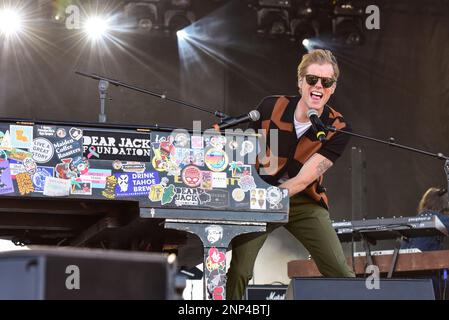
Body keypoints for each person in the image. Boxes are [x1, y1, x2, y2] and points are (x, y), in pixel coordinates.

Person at [226, 49, 355, 300]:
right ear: (300, 82)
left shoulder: (337, 128)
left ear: (333, 88)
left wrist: (270, 196)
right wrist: (250, 193)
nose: (318, 86)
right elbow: (247, 154)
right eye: (312, 79)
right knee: (240, 269)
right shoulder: (270, 106)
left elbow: (304, 179)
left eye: (326, 82)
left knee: (339, 271)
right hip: (260, 195)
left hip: (303, 201)